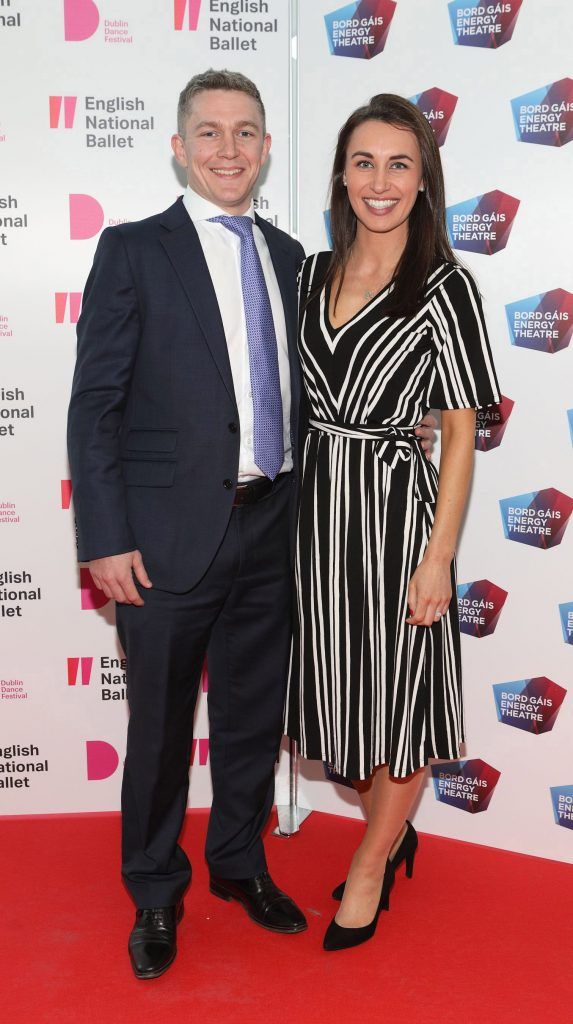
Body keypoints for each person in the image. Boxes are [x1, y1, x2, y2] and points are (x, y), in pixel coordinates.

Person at [68, 71, 437, 977]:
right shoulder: (132, 250)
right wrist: (104, 537)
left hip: (278, 531)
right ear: (180, 147)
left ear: (266, 149)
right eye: (209, 133)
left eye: (245, 133)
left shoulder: (289, 257)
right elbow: (94, 406)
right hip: (160, 542)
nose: (227, 149)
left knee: (248, 722)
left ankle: (237, 862)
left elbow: (326, 386)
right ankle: (156, 891)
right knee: (157, 731)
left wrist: (408, 416)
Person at [285, 93, 501, 952]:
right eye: (364, 162)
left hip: (395, 520)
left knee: (401, 703)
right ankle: (392, 827)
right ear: (341, 173)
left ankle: (371, 864)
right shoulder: (307, 274)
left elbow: (458, 435)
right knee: (345, 711)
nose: (380, 181)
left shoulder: (445, 286)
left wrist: (437, 556)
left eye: (399, 164)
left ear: (424, 180)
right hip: (311, 523)